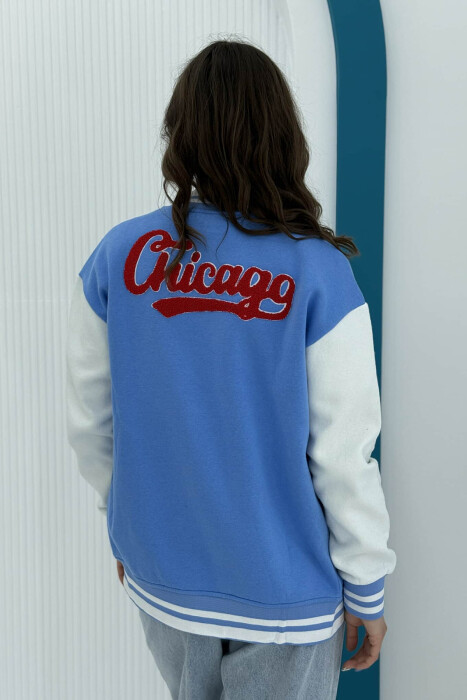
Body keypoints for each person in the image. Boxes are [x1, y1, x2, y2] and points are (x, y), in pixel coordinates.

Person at [66, 38, 396, 700]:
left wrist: (125, 530)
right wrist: (366, 585)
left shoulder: (119, 255)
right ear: (283, 136)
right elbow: (342, 452)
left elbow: (90, 422)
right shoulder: (318, 270)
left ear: (179, 132)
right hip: (285, 596)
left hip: (164, 579)